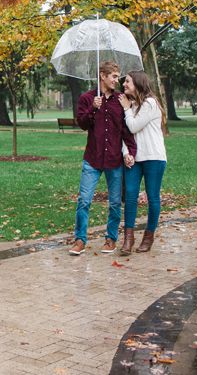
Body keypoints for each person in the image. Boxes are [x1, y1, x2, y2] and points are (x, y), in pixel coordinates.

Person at [68, 61, 137, 256]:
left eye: (118, 76)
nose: (117, 80)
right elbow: (82, 124)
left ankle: (110, 239)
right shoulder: (87, 98)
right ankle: (80, 239)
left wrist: (130, 151)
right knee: (84, 201)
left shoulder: (121, 100)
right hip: (92, 158)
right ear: (102, 76)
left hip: (114, 160)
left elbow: (126, 131)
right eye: (114, 76)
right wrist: (93, 108)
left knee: (115, 203)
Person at [118, 71, 167, 254]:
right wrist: (126, 153)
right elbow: (125, 134)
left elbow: (134, 126)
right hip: (134, 159)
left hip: (153, 157)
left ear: (138, 83)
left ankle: (148, 237)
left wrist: (126, 109)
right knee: (130, 195)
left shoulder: (150, 104)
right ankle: (128, 239)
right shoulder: (130, 105)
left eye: (127, 82)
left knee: (152, 196)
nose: (124, 85)